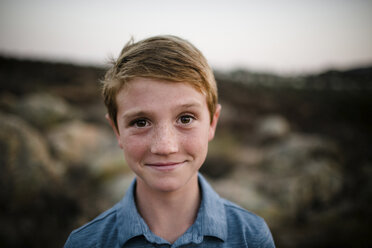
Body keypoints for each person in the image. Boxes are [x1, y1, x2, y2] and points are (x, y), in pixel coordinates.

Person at [64, 35, 275, 247]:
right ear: (117, 131)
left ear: (212, 123)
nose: (165, 147)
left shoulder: (252, 237)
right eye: (140, 122)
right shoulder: (83, 243)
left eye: (185, 119)